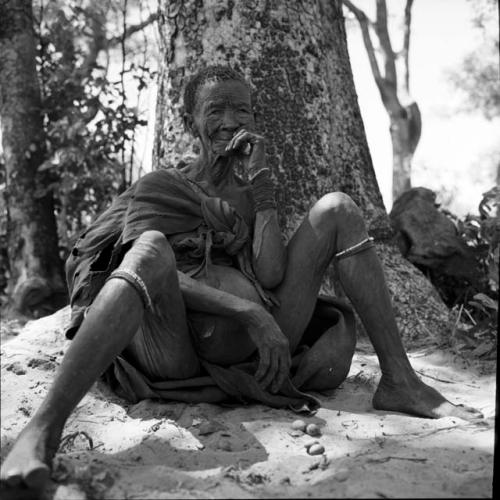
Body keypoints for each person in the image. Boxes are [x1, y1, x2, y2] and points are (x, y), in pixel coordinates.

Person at [0, 65, 480, 495]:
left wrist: (265, 187)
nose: (231, 120)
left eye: (242, 109)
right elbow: (136, 268)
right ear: (191, 121)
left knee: (338, 208)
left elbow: (271, 273)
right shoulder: (161, 187)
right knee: (150, 247)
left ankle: (400, 379)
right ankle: (42, 429)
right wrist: (245, 311)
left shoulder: (251, 194)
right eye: (216, 109)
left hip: (260, 345)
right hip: (178, 348)